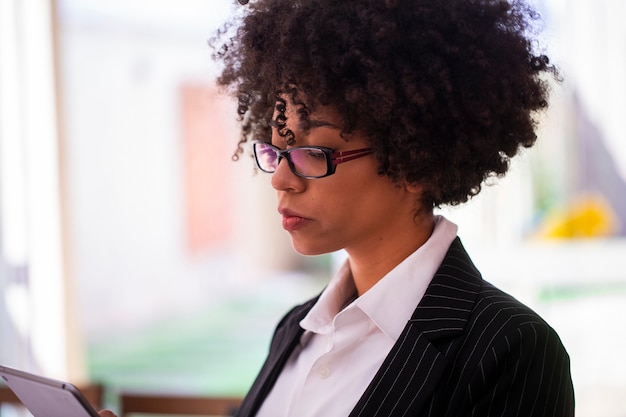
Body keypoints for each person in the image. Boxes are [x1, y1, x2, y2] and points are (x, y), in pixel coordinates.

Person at [101, 0, 574, 416]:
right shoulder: (296, 328)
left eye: (314, 154)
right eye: (276, 151)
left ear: (415, 159)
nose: (282, 180)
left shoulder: (509, 351)